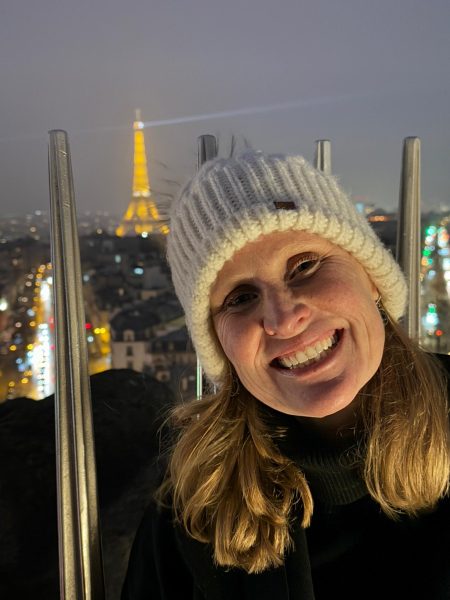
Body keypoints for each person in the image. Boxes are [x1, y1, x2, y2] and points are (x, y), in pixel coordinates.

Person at [121, 151, 450, 600]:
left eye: (304, 266)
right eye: (239, 298)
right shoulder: (188, 514)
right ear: (219, 344)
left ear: (370, 277)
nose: (282, 318)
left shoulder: (201, 517)